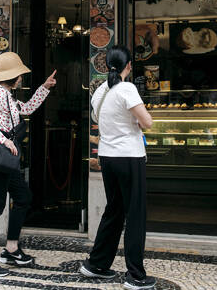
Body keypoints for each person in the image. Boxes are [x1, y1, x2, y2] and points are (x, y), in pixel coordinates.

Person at [0, 52, 57, 277]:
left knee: (23, 198)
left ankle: (11, 248)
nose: (21, 78)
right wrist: (4, 139)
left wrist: (44, 88)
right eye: (20, 74)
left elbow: (26, 109)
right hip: (1, 157)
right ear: (14, 76)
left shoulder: (7, 94)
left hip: (7, 159)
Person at [79, 46, 156, 290]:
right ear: (129, 66)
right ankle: (135, 276)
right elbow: (148, 123)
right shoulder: (127, 88)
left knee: (114, 210)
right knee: (135, 214)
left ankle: (96, 264)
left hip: (107, 158)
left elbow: (97, 119)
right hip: (129, 157)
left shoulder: (100, 91)